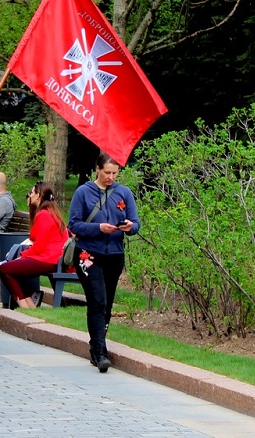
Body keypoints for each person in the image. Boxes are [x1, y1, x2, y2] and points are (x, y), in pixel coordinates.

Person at [68, 152, 140, 373]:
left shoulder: (123, 193)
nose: (111, 177)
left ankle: (98, 346)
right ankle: (99, 352)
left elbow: (136, 223)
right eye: (107, 172)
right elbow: (74, 224)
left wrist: (129, 227)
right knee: (97, 300)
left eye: (115, 173)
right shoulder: (83, 192)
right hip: (88, 254)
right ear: (97, 169)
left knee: (106, 303)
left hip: (114, 254)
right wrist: (98, 228)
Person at [0, 181, 67, 309]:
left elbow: (39, 246)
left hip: (48, 259)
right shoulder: (51, 212)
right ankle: (29, 305)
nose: (30, 196)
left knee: (4, 269)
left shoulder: (44, 215)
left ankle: (24, 305)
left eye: (32, 193)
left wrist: (22, 256)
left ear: (38, 195)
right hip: (53, 258)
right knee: (15, 269)